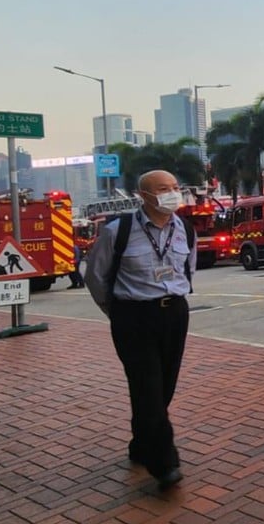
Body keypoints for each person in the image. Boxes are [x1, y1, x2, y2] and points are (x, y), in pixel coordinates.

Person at [84, 170, 196, 491]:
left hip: (174, 313)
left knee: (163, 388)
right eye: (164, 189)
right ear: (144, 196)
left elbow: (188, 272)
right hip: (133, 317)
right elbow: (96, 276)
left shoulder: (184, 230)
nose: (172, 193)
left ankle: (140, 443)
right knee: (148, 386)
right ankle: (164, 463)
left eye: (176, 187)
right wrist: (116, 311)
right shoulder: (117, 232)